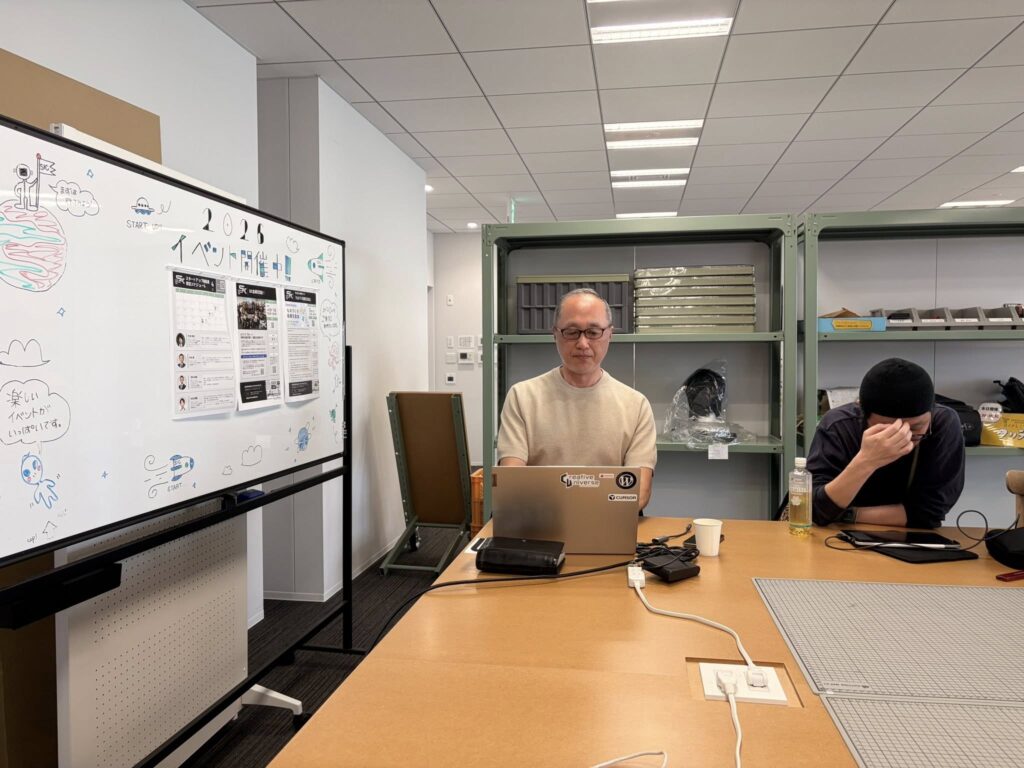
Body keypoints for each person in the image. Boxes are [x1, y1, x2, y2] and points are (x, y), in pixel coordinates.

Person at [496, 288, 657, 509]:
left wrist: (584, 515)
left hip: (609, 520)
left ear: (610, 334)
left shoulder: (636, 405)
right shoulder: (522, 397)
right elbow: (512, 481)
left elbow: (639, 492)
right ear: (555, 334)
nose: (582, 343)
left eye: (593, 332)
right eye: (571, 332)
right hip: (540, 521)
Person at [807, 358, 965, 528]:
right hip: (836, 535)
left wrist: (848, 514)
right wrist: (866, 461)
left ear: (931, 413)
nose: (903, 436)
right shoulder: (838, 425)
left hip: (911, 536)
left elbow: (930, 512)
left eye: (915, 428)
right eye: (890, 429)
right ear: (863, 415)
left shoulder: (943, 424)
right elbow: (813, 509)